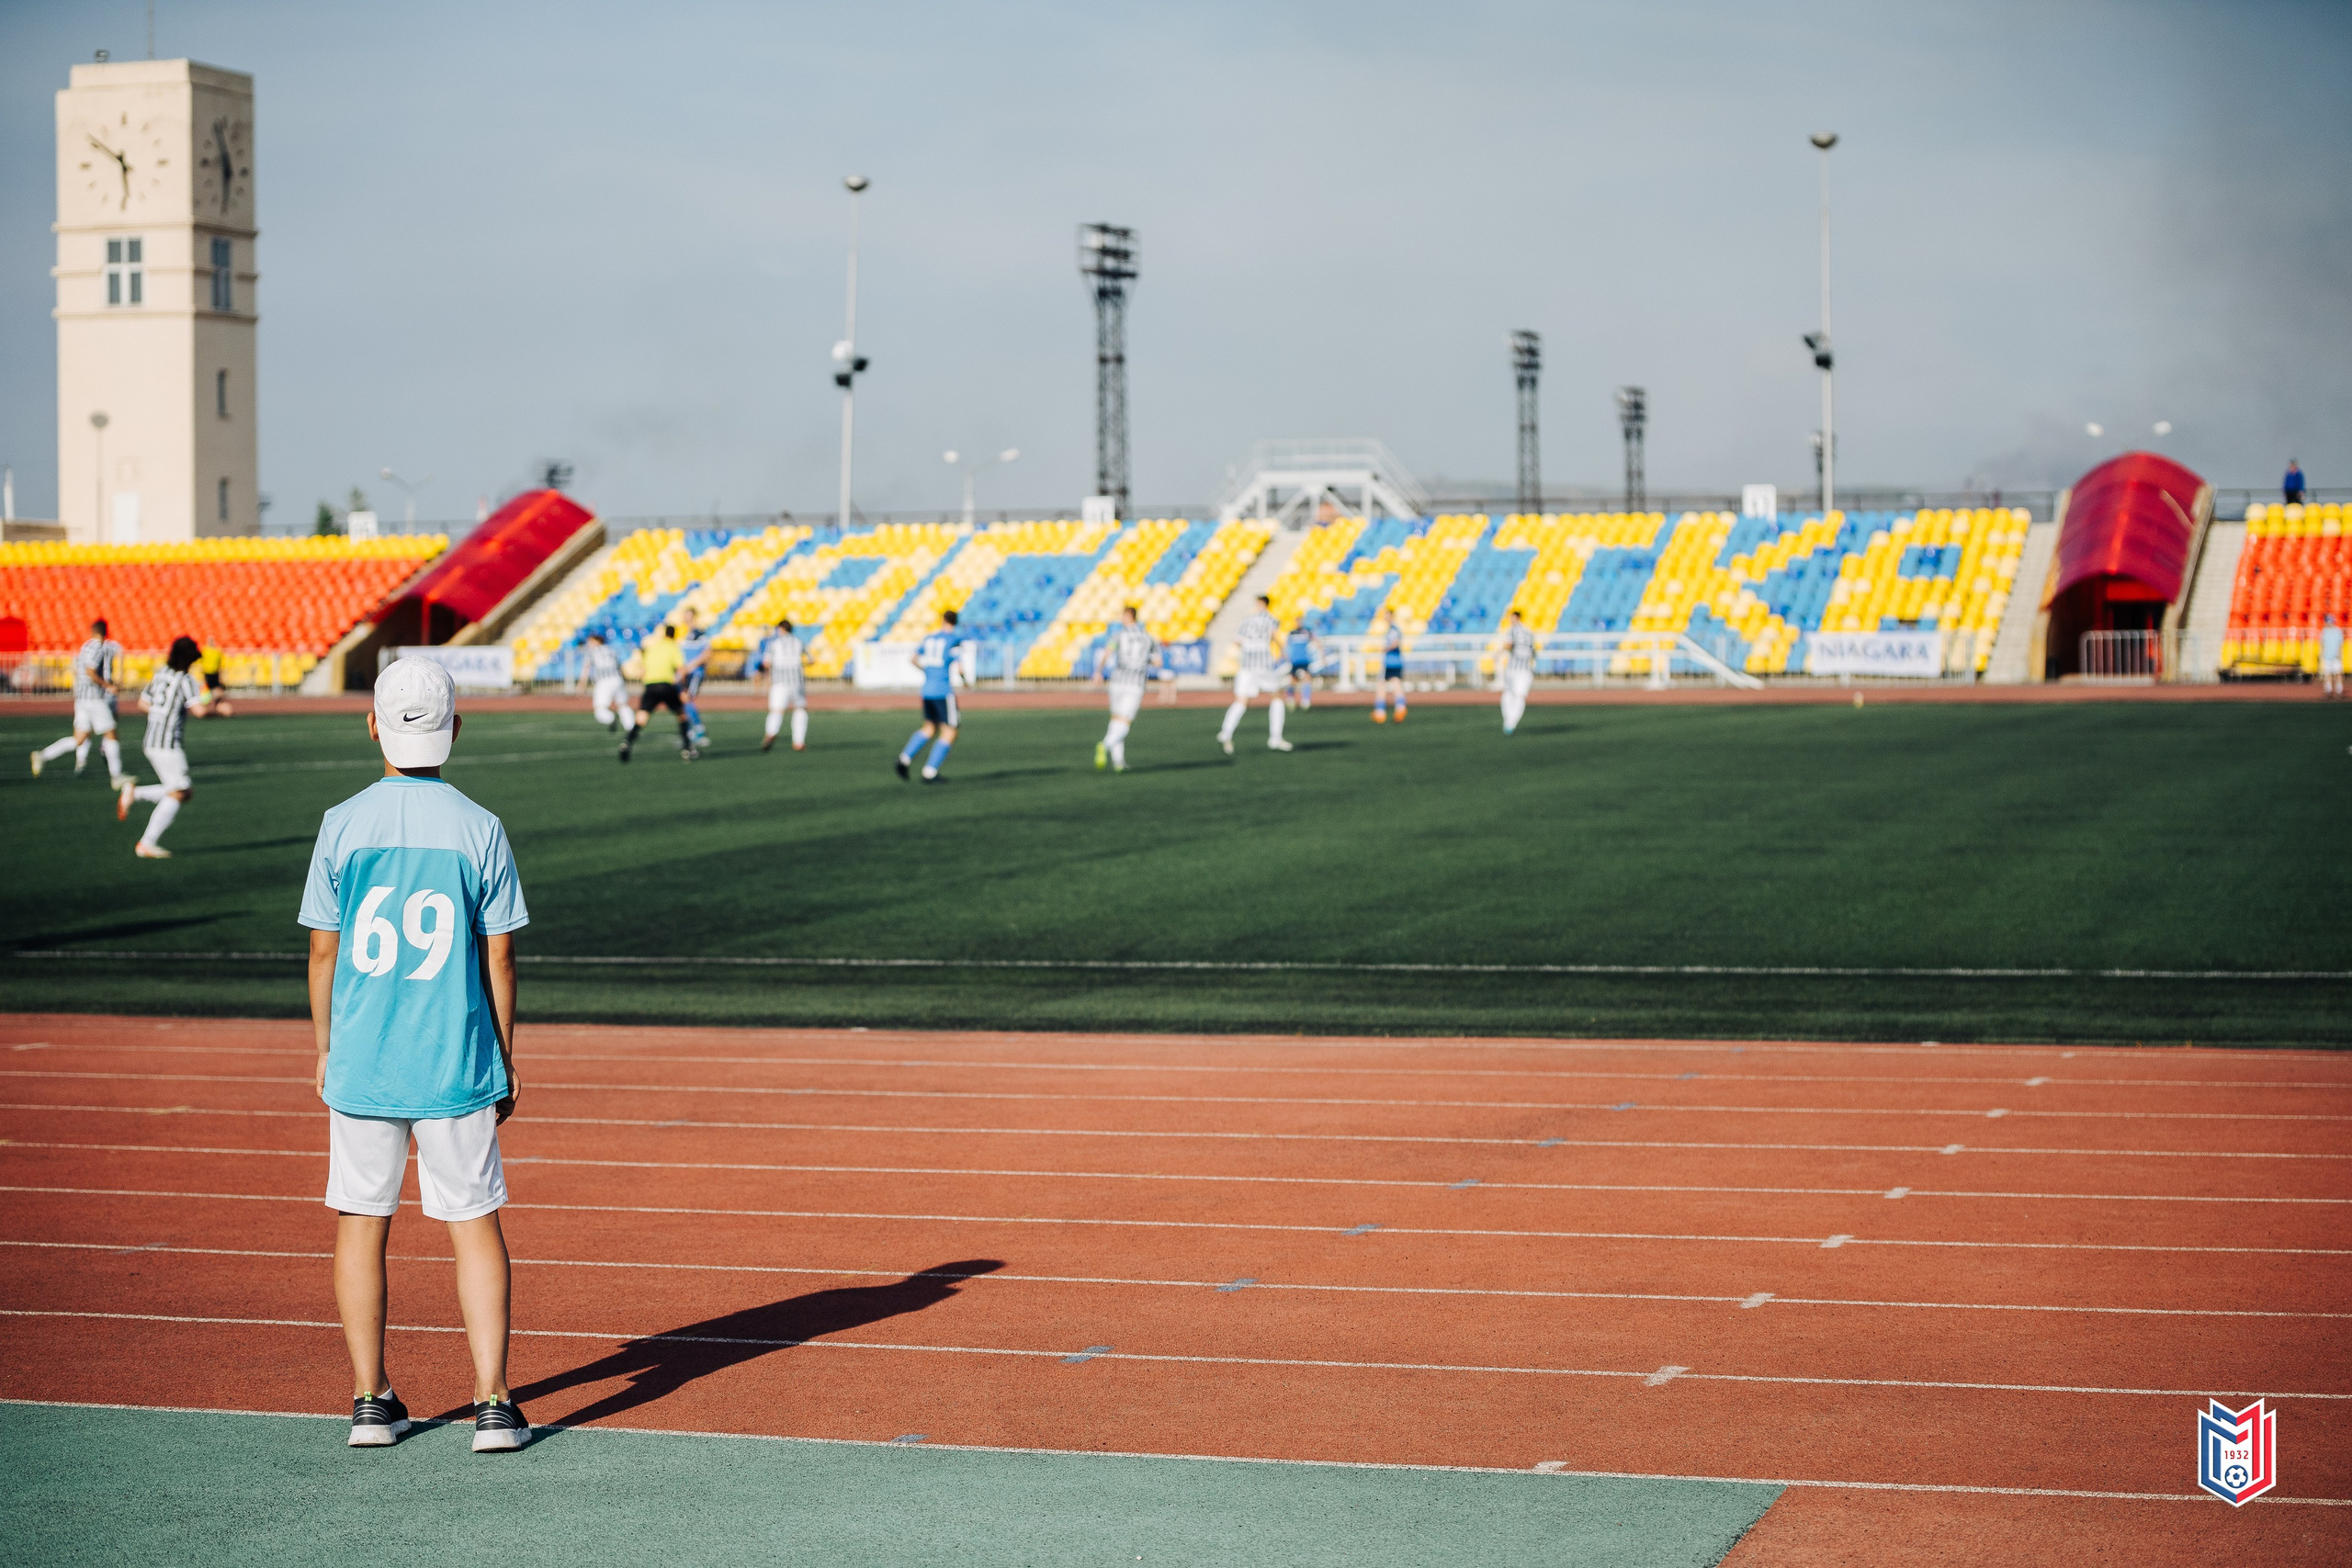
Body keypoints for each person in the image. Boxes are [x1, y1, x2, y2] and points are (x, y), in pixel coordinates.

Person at [300, 656, 532, 1453]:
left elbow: (323, 954)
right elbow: (498, 960)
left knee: (361, 1220)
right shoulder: (480, 827)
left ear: (373, 725)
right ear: (454, 729)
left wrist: (326, 1048)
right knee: (473, 1224)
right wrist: (505, 1056)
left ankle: (370, 1398)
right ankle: (493, 1402)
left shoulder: (342, 821)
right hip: (455, 1060)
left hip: (364, 1060)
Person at [117, 634, 210, 858]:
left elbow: (142, 703)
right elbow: (200, 711)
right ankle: (146, 843)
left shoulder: (161, 674)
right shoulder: (186, 680)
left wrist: (161, 714)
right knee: (180, 792)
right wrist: (222, 710)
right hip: (167, 744)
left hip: (151, 739)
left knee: (182, 791)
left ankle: (134, 793)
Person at [31, 618, 128, 784]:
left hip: (81, 698)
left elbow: (80, 669)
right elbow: (90, 671)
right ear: (106, 632)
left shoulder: (85, 646)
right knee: (111, 733)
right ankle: (117, 776)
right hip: (94, 698)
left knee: (79, 739)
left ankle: (42, 756)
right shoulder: (99, 648)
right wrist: (108, 686)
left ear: (92, 631)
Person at [1216, 594, 1293, 756]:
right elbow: (1274, 636)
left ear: (1259, 603)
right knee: (1277, 696)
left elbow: (1237, 642)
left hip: (1246, 666)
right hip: (1263, 664)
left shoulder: (1246, 620)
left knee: (1241, 701)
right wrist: (1284, 653)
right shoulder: (1271, 619)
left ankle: (1226, 732)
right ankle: (1275, 738)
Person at [897, 610, 967, 783]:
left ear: (943, 620)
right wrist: (965, 681)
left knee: (929, 728)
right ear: (955, 622)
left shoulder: (929, 638)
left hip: (927, 690)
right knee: (950, 731)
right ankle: (930, 771)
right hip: (943, 691)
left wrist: (926, 671)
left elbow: (913, 658)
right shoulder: (954, 640)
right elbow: (959, 667)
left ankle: (904, 759)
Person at [1094, 604, 1162, 772]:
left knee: (1116, 719)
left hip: (1117, 681)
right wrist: (1143, 660)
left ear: (1127, 616)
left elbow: (1107, 653)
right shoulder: (1149, 638)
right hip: (1135, 683)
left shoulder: (1118, 635)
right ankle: (1106, 745)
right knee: (1125, 721)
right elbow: (1158, 662)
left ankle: (1118, 762)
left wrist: (1098, 672)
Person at [620, 623, 695, 762]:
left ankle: (627, 742)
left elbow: (643, 670)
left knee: (641, 717)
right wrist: (684, 689)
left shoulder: (653, 647)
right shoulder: (673, 647)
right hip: (666, 685)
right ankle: (687, 748)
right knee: (682, 715)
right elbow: (681, 669)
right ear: (674, 635)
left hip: (650, 686)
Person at [757, 616, 808, 752]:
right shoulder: (799, 641)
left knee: (777, 710)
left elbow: (766, 663)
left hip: (779, 681)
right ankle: (799, 742)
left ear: (781, 629)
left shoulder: (774, 643)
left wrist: (766, 677)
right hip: (796, 680)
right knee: (800, 709)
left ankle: (771, 732)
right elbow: (811, 659)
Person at [582, 632, 635, 741]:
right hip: (617, 679)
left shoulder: (592, 651)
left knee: (600, 709)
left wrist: (582, 684)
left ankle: (610, 718)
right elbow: (619, 666)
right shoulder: (611, 650)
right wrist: (623, 680)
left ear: (597, 641)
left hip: (603, 681)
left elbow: (586, 668)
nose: (588, 644)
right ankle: (631, 727)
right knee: (623, 704)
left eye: (590, 641)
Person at [1496, 609, 1538, 735]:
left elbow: (1508, 645)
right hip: (1525, 670)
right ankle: (1510, 722)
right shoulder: (1529, 633)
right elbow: (1533, 653)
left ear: (1516, 618)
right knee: (1518, 696)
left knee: (1509, 694)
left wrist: (1497, 654)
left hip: (1513, 669)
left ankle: (1509, 722)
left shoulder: (1512, 631)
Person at [677, 613, 713, 750]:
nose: (686, 618)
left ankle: (699, 730)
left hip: (694, 673)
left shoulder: (699, 634)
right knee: (683, 700)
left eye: (689, 616)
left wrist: (690, 666)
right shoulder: (684, 634)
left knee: (687, 700)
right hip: (686, 673)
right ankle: (694, 729)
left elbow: (707, 654)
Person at [1371, 612, 1408, 723]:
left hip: (1391, 662)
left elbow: (1395, 643)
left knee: (1382, 684)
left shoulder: (1393, 630)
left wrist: (1385, 648)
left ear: (1391, 616)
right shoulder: (1392, 629)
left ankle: (1380, 712)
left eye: (1386, 615)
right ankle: (1400, 708)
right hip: (1395, 661)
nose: (1385, 617)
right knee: (1395, 683)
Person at [1285, 622, 1321, 710]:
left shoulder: (1307, 631)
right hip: (1295, 660)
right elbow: (1286, 646)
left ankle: (1305, 701)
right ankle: (1290, 699)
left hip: (1304, 660)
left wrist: (1322, 653)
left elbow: (1316, 640)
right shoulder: (1291, 633)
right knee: (1293, 681)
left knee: (1307, 678)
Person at [196, 641, 233, 717]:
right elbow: (200, 664)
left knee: (218, 693)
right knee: (206, 695)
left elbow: (220, 666)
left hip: (214, 674)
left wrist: (220, 677)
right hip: (207, 674)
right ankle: (206, 710)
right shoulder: (204, 652)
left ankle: (220, 708)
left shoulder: (217, 652)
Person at [2323, 613, 2345, 699]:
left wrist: (2340, 654)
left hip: (2336, 656)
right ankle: (2328, 691)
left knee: (2338, 674)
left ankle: (2339, 691)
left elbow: (2340, 645)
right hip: (2327, 656)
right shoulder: (2324, 631)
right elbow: (2323, 644)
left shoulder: (2337, 631)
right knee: (2328, 674)